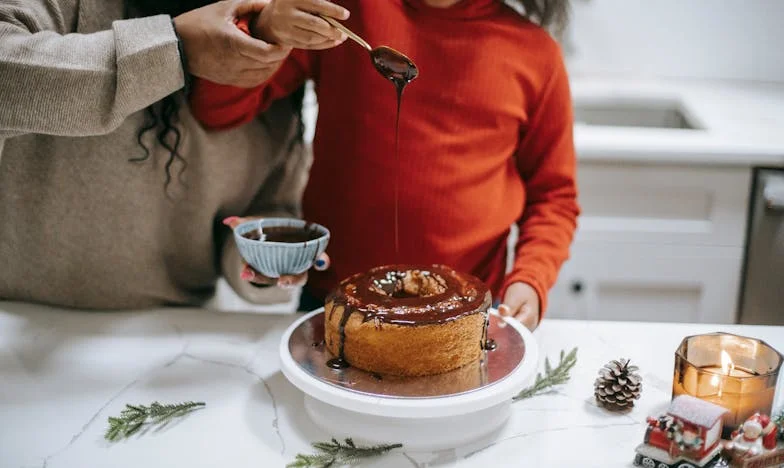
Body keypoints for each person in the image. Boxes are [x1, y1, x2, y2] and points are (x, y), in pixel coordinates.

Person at [190, 0, 579, 330]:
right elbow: (217, 108)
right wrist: (266, 27)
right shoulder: (344, 15)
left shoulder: (535, 54)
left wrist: (530, 279)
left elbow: (554, 198)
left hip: (468, 313)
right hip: (331, 301)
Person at [0, 0, 342, 309]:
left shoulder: (272, 45)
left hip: (174, 336)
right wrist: (174, 47)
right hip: (17, 322)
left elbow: (268, 205)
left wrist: (261, 256)